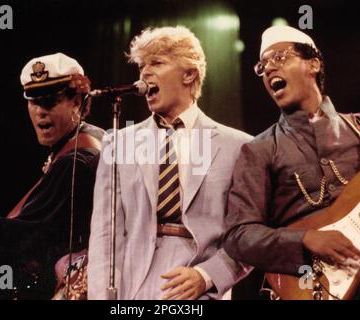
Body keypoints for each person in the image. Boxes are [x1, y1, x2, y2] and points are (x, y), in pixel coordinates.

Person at [88, 26, 253, 300]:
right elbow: (105, 234)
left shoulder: (237, 146)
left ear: (189, 74)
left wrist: (208, 276)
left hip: (198, 289)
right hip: (132, 287)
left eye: (157, 63)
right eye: (142, 66)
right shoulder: (119, 143)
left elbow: (249, 235)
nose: (144, 74)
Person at [223, 26, 360, 299]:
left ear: (314, 64)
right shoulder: (259, 149)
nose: (269, 68)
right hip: (306, 286)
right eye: (262, 65)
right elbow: (239, 236)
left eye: (280, 57)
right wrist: (305, 239)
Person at [0, 52, 104, 299]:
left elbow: (25, 237)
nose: (40, 112)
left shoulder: (78, 160)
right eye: (33, 101)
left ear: (77, 101)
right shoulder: (90, 138)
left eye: (49, 101)